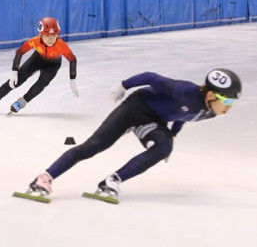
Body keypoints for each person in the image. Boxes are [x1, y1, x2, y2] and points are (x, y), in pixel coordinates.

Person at [24, 68, 242, 201]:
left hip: (153, 120)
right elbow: (151, 77)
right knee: (94, 146)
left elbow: (183, 116)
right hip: (134, 109)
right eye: (228, 101)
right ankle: (43, 178)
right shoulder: (183, 90)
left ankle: (111, 181)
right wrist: (123, 85)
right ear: (212, 95)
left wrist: (173, 134)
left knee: (165, 147)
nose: (230, 107)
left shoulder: (211, 112)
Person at [0, 17, 78, 115]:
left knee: (41, 84)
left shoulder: (61, 45)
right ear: (40, 35)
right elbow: (20, 52)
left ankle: (22, 102)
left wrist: (72, 79)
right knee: (15, 81)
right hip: (37, 59)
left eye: (54, 35)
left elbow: (72, 60)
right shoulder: (35, 41)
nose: (51, 39)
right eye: (47, 36)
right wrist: (14, 71)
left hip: (53, 65)